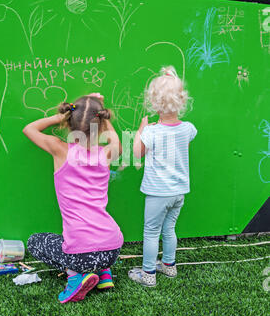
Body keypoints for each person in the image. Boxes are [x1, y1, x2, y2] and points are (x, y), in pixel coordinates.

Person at [23, 93, 124, 303]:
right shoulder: (106, 154)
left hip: (80, 253)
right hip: (112, 247)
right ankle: (104, 273)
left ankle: (75, 276)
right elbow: (116, 141)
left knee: (34, 242)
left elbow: (29, 129)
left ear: (68, 123)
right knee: (94, 246)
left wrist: (61, 116)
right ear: (101, 125)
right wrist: (101, 116)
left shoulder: (59, 149)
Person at [128, 66, 197, 287]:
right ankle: (169, 266)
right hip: (178, 192)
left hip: (158, 193)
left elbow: (138, 153)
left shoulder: (151, 132)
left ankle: (148, 273)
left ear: (154, 102)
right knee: (169, 229)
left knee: (151, 232)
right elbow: (182, 140)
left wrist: (141, 130)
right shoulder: (188, 128)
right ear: (182, 100)